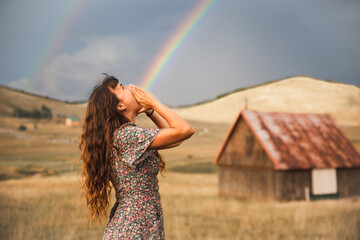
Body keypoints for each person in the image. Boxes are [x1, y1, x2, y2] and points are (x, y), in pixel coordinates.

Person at [76, 74, 195, 239]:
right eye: (123, 88)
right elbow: (185, 130)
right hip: (133, 228)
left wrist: (152, 111)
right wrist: (155, 102)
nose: (131, 86)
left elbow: (176, 140)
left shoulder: (126, 135)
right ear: (120, 105)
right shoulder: (126, 136)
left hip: (139, 223)